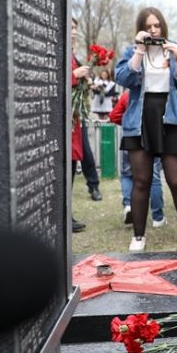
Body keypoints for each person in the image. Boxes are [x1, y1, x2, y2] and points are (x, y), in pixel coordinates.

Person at [115, 6, 177, 251]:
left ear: (163, 25)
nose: (153, 30)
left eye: (157, 25)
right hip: (140, 120)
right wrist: (140, 50)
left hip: (171, 117)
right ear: (141, 28)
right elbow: (123, 79)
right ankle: (138, 236)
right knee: (141, 181)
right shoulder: (132, 51)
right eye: (148, 26)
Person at [110, 90, 166, 228]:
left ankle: (129, 205)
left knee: (127, 174)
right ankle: (157, 216)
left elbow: (114, 115)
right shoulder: (159, 93)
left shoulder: (128, 95)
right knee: (154, 177)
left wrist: (128, 122)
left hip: (131, 138)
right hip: (153, 138)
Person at [70, 18, 101, 232]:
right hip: (66, 119)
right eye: (71, 27)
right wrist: (74, 75)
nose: (74, 31)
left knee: (74, 162)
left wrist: (84, 80)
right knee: (68, 164)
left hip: (74, 117)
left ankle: (66, 213)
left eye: (75, 28)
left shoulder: (72, 53)